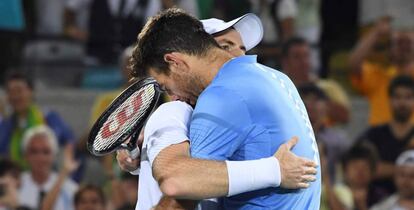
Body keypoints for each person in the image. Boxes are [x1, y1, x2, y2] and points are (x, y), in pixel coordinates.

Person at [118, 13, 318, 210]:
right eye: (227, 44)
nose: (173, 95)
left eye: (165, 86)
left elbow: (180, 184)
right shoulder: (280, 79)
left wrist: (274, 170)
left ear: (175, 62)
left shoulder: (222, 95)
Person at [0, 72, 75, 168]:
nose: (15, 96)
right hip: (16, 178)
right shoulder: (5, 125)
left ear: (31, 91)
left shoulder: (48, 117)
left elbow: (70, 141)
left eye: (19, 91)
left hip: (47, 176)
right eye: (11, 92)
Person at [349, 17, 414, 126]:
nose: (403, 47)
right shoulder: (379, 76)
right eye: (399, 43)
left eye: (408, 43)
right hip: (380, 140)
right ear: (390, 48)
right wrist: (376, 34)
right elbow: (353, 65)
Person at [357, 75, 414, 196]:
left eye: (408, 97)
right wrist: (405, 169)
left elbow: (377, 169)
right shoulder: (374, 135)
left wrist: (386, 168)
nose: (402, 103)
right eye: (397, 97)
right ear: (389, 100)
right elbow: (365, 169)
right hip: (378, 200)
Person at [282, 37, 350, 124]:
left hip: (326, 135)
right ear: (285, 62)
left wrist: (323, 103)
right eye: (297, 57)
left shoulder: (329, 86)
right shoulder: (280, 89)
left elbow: (346, 117)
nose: (303, 62)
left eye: (306, 56)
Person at [18, 126, 78, 210]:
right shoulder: (14, 185)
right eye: (34, 151)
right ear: (25, 155)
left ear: (54, 155)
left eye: (46, 152)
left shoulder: (70, 189)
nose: (40, 157)